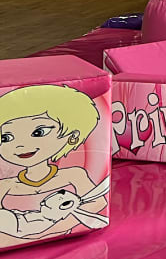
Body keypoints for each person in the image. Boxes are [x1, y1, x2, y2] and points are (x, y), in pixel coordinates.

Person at [0, 85, 107, 244]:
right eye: (6, 138)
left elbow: (98, 202)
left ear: (72, 136)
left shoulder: (73, 175)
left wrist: (46, 231)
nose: (20, 145)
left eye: (39, 132)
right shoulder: (5, 186)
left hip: (70, 242)